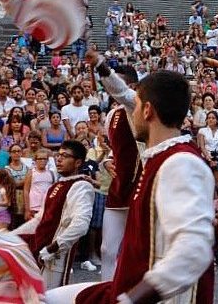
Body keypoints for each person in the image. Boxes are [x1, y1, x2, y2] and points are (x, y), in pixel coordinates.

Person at [45, 70, 215, 304]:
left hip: (153, 298)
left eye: (135, 105)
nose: (130, 112)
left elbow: (195, 250)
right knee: (43, 299)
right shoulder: (157, 156)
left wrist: (132, 299)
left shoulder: (180, 162)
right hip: (125, 289)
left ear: (147, 110)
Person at [86, 50, 139, 281]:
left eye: (118, 81)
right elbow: (113, 151)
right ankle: (108, 290)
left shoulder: (136, 106)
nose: (111, 88)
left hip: (139, 185)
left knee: (137, 247)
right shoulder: (111, 115)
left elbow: (121, 91)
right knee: (108, 249)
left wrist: (100, 65)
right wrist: (107, 161)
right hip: (118, 187)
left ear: (134, 86)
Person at [13, 140, 94, 290]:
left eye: (65, 155)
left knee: (51, 297)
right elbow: (40, 220)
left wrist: (52, 249)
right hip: (39, 251)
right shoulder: (55, 186)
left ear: (78, 163)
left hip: (56, 259)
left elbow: (80, 225)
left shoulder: (81, 186)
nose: (59, 159)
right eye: (58, 155)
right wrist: (12, 236)